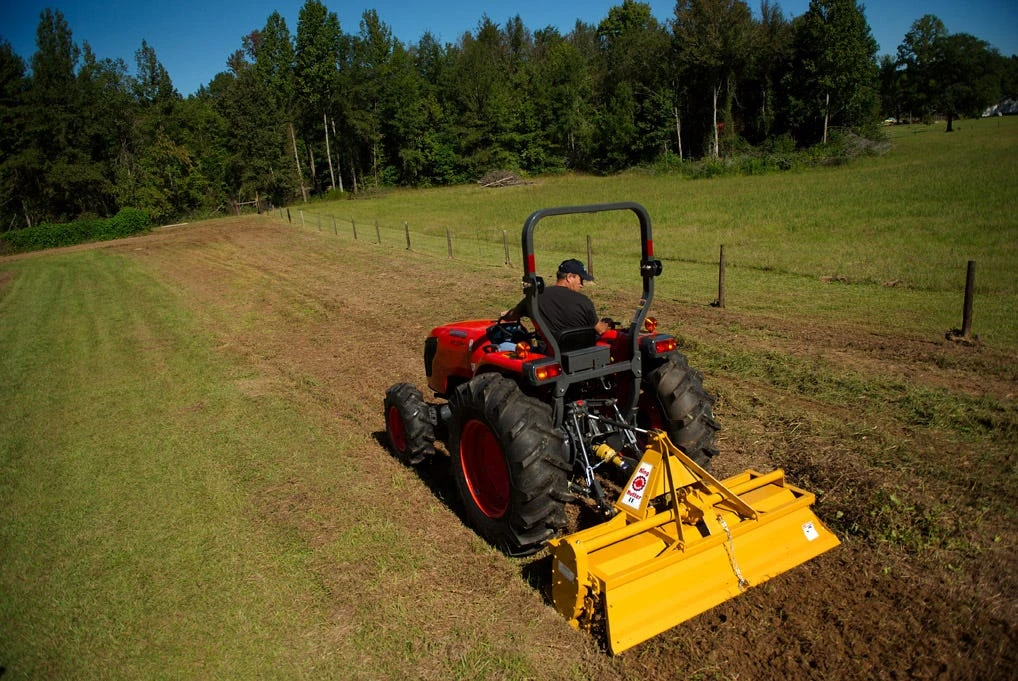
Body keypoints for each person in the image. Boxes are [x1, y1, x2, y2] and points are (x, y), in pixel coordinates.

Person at [502, 258, 609, 346]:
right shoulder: (584, 301)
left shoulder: (535, 298)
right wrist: (606, 324)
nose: (581, 285)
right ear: (570, 277)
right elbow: (600, 330)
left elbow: (512, 315)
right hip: (580, 354)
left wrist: (504, 315)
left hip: (550, 353)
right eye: (581, 280)